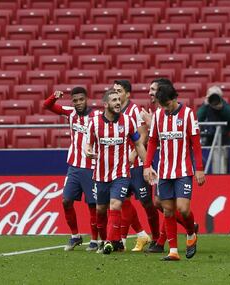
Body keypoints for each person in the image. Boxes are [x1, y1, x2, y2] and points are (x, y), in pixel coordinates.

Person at [143, 84, 206, 261]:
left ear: (175, 98)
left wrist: (199, 169)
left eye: (167, 104)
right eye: (162, 105)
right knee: (168, 210)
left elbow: (196, 143)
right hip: (164, 171)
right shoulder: (157, 116)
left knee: (183, 209)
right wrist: (147, 165)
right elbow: (153, 142)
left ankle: (191, 233)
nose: (165, 108)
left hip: (183, 170)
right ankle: (173, 251)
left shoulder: (188, 114)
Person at [85, 88, 147, 255]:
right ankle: (105, 240)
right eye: (114, 100)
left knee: (116, 204)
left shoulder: (128, 121)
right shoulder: (94, 123)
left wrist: (147, 165)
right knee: (100, 209)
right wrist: (88, 152)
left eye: (119, 100)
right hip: (100, 174)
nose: (118, 103)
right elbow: (88, 145)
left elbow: (138, 144)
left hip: (121, 173)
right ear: (105, 104)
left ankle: (110, 242)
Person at [43, 87, 100, 251]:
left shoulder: (96, 117)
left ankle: (95, 240)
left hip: (91, 168)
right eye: (75, 100)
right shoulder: (70, 113)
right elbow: (47, 106)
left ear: (86, 99)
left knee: (93, 205)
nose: (78, 103)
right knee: (66, 201)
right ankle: (75, 236)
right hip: (74, 167)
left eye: (81, 99)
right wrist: (54, 96)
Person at [113, 80, 160, 251]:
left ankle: (156, 238)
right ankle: (128, 238)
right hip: (121, 166)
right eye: (114, 90)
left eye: (119, 91)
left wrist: (132, 155)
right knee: (122, 201)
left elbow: (144, 135)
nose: (116, 93)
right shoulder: (114, 112)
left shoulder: (135, 110)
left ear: (127, 94)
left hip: (138, 164)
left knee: (147, 203)